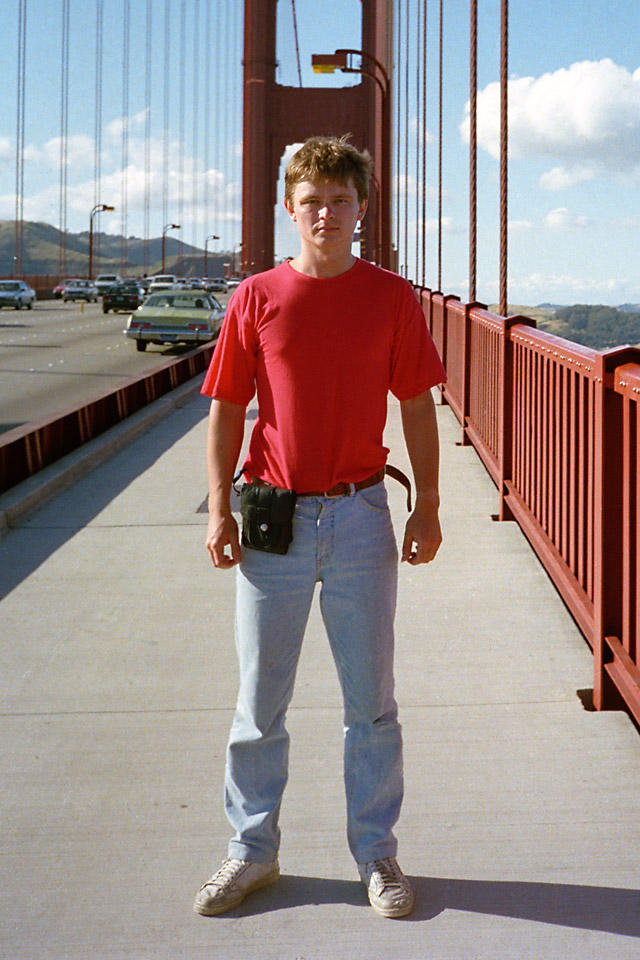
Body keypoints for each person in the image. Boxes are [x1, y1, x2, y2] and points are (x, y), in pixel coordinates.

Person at [194, 135, 446, 919]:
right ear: (288, 209)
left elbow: (416, 403)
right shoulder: (256, 297)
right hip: (273, 516)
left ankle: (377, 853)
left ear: (362, 209)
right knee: (258, 703)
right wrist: (218, 504)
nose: (326, 214)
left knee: (370, 704)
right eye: (312, 202)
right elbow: (228, 405)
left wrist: (428, 502)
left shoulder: (392, 298)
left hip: (363, 514)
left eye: (340, 200)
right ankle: (251, 852)